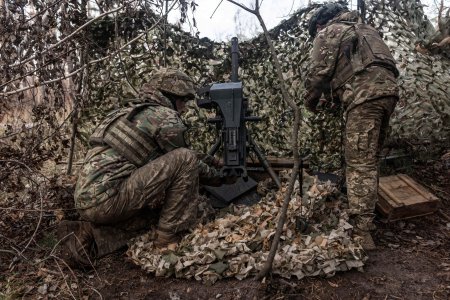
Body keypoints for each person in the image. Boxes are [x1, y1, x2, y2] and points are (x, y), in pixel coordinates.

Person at [58, 68, 226, 267]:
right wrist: (219, 176)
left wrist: (213, 161)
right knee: (183, 168)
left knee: (157, 212)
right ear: (172, 96)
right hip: (110, 199)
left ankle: (89, 235)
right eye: (183, 101)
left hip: (88, 201)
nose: (184, 108)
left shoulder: (127, 114)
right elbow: (186, 160)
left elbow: (171, 155)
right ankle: (166, 241)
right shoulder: (165, 117)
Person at [304, 3, 400, 250]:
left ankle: (362, 232)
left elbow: (318, 74)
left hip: (365, 97)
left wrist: (311, 102)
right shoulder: (364, 29)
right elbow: (357, 69)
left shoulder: (329, 32)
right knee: (369, 158)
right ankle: (365, 216)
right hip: (387, 94)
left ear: (318, 25)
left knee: (360, 163)